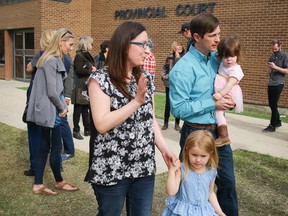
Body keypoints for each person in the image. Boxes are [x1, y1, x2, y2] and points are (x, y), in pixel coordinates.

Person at [83, 21, 176, 215]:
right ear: (125, 45)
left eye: (147, 44)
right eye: (142, 44)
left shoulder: (144, 78)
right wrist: (135, 102)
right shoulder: (100, 80)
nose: (147, 50)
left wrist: (164, 149)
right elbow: (101, 124)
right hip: (111, 167)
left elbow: (149, 119)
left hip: (143, 165)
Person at [169, 13, 238, 215]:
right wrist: (213, 102)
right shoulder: (182, 69)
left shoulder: (216, 60)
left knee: (228, 184)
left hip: (219, 133)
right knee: (190, 189)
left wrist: (229, 101)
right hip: (194, 133)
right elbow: (179, 109)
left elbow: (227, 83)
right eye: (212, 35)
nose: (218, 39)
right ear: (197, 37)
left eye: (219, 34)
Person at [26, 28, 79, 195]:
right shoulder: (51, 60)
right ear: (60, 42)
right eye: (70, 44)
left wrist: (62, 101)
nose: (71, 48)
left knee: (45, 146)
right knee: (55, 147)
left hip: (49, 110)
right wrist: (62, 107)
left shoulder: (48, 58)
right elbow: (52, 91)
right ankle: (58, 182)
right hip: (51, 111)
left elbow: (55, 89)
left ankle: (40, 184)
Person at [162, 130, 225, 216]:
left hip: (203, 213)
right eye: (194, 155)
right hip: (182, 212)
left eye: (203, 156)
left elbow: (210, 193)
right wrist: (172, 171)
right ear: (187, 150)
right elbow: (171, 192)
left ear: (211, 153)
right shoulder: (182, 169)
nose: (198, 160)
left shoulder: (211, 171)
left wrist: (219, 212)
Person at [23, 29, 56, 176]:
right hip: (54, 101)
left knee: (35, 134)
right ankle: (56, 165)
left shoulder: (42, 55)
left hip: (38, 100)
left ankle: (35, 167)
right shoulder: (61, 57)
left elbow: (28, 68)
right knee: (53, 134)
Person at [213, 36, 244, 146]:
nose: (229, 59)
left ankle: (224, 136)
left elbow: (230, 83)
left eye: (232, 56)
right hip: (222, 90)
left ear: (237, 55)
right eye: (225, 57)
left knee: (219, 112)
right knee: (217, 112)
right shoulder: (222, 64)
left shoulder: (236, 69)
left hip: (228, 92)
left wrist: (220, 94)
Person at [72, 36, 96, 139]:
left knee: (86, 109)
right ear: (86, 44)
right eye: (91, 43)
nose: (92, 45)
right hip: (80, 87)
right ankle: (76, 130)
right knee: (78, 110)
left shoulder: (87, 55)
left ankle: (87, 129)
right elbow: (78, 70)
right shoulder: (79, 56)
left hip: (86, 86)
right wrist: (91, 70)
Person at [262, 39, 288, 132]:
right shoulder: (272, 57)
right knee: (271, 104)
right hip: (271, 83)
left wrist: (275, 67)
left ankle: (272, 125)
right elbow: (270, 70)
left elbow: (287, 70)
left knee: (273, 104)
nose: (274, 51)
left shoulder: (285, 55)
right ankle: (278, 121)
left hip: (279, 83)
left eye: (276, 49)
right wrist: (269, 69)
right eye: (273, 49)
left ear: (280, 46)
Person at [161, 41, 185, 131]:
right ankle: (165, 123)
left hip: (179, 84)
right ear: (174, 47)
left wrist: (178, 58)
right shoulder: (170, 57)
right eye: (178, 45)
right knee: (168, 104)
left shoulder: (184, 57)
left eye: (181, 45)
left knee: (177, 103)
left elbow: (180, 68)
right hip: (169, 84)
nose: (180, 47)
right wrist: (164, 76)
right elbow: (165, 67)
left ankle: (177, 124)